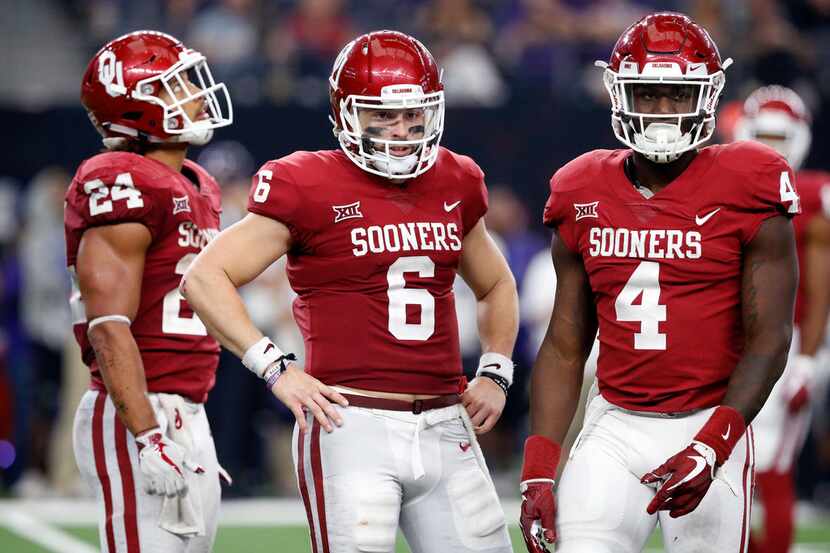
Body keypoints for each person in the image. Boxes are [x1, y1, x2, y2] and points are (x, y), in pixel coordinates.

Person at [182, 30, 518, 553]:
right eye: (382, 116)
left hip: (446, 419)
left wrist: (496, 369)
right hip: (352, 422)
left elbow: (496, 283)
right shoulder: (306, 183)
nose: (402, 131)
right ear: (346, 115)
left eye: (413, 115)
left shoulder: (455, 178)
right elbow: (205, 277)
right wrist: (276, 368)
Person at [518, 12, 799, 553]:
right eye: (649, 94)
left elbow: (769, 337)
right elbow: (564, 342)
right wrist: (539, 466)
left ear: (709, 97)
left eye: (679, 95)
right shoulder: (581, 188)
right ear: (620, 95)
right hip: (615, 422)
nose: (664, 111)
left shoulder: (751, 181)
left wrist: (714, 445)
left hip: (710, 417)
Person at [66, 30, 232, 552]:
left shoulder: (199, 183)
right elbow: (109, 327)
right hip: (134, 409)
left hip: (189, 407)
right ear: (139, 106)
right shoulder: (119, 178)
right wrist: (147, 435)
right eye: (178, 83)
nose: (198, 93)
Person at [733, 85, 830, 553]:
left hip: (787, 342)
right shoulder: (722, 182)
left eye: (780, 137)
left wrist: (809, 360)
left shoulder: (814, 194)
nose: (772, 148)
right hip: (730, 341)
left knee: (771, 459)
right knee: (730, 462)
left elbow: (819, 288)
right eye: (763, 136)